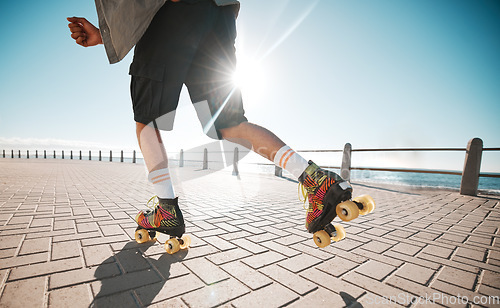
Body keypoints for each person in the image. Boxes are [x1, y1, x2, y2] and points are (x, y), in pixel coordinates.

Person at [67, 0, 355, 245]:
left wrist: (110, 33)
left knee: (147, 122)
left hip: (171, 15)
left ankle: (166, 210)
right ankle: (316, 179)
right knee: (229, 125)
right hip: (219, 17)